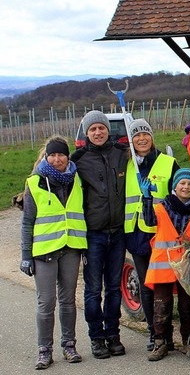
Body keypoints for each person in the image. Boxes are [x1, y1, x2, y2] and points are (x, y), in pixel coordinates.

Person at [20, 136, 85, 369]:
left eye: (61, 154)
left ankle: (69, 345)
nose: (57, 159)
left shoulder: (77, 179)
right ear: (46, 157)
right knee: (46, 302)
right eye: (53, 155)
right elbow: (27, 222)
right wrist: (25, 255)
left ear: (68, 156)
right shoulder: (35, 182)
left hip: (71, 247)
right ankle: (44, 350)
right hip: (45, 250)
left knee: (68, 301)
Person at [71, 110, 128, 359]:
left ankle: (113, 334)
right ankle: (96, 337)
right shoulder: (79, 159)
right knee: (93, 289)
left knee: (114, 288)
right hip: (93, 234)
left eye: (101, 128)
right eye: (92, 129)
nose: (97, 132)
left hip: (117, 233)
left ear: (108, 130)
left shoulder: (122, 154)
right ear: (86, 132)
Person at [123, 119, 180, 351]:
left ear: (152, 136)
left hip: (161, 233)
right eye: (136, 135)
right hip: (136, 232)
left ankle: (168, 333)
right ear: (131, 140)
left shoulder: (167, 162)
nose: (141, 139)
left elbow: (178, 195)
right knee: (146, 283)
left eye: (145, 134)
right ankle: (153, 332)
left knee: (163, 283)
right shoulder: (126, 164)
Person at [142, 168, 190, 361]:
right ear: (175, 186)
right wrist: (146, 198)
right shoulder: (161, 207)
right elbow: (149, 221)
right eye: (182, 183)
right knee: (162, 305)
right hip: (163, 266)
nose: (186, 187)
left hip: (186, 267)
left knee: (186, 306)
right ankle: (160, 343)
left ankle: (188, 343)